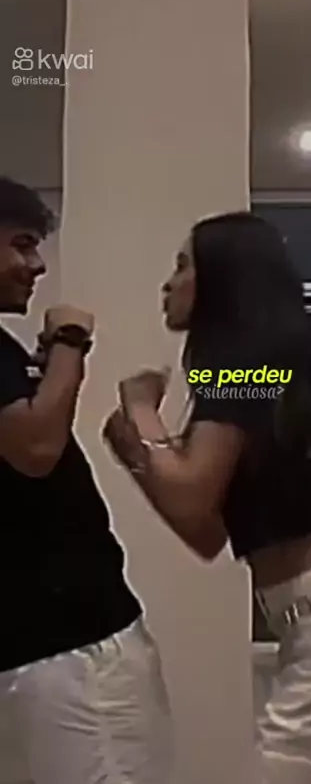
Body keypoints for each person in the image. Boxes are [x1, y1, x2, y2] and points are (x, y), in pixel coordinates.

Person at [104, 211, 311, 784]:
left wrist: (141, 410)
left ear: (223, 277)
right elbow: (205, 533)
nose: (168, 284)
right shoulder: (247, 374)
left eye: (183, 265)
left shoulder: (246, 369)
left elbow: (190, 500)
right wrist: (135, 452)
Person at [0, 177, 173, 784]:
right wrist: (72, 343)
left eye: (183, 268)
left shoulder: (247, 368)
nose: (37, 265)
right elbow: (37, 447)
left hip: (48, 644)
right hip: (71, 648)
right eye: (22, 245)